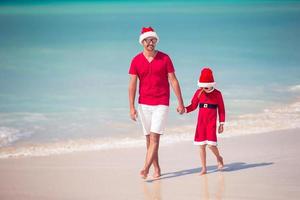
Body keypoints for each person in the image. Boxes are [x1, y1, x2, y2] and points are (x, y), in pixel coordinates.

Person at [128, 27, 185, 179]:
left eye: (153, 40)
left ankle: (145, 168)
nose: (150, 42)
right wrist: (132, 107)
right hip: (143, 104)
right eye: (147, 40)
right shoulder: (136, 60)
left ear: (156, 41)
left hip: (161, 102)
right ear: (142, 42)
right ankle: (157, 168)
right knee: (148, 139)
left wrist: (181, 102)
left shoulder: (165, 58)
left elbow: (173, 80)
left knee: (155, 138)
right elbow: (132, 85)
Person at [185, 67, 225, 175]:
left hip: (211, 123)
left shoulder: (218, 94)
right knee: (201, 146)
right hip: (201, 124)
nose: (205, 89)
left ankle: (219, 157)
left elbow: (221, 110)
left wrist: (221, 123)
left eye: (207, 87)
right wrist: (184, 109)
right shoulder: (199, 93)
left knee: (211, 145)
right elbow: (193, 106)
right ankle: (204, 168)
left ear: (212, 84)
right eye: (203, 86)